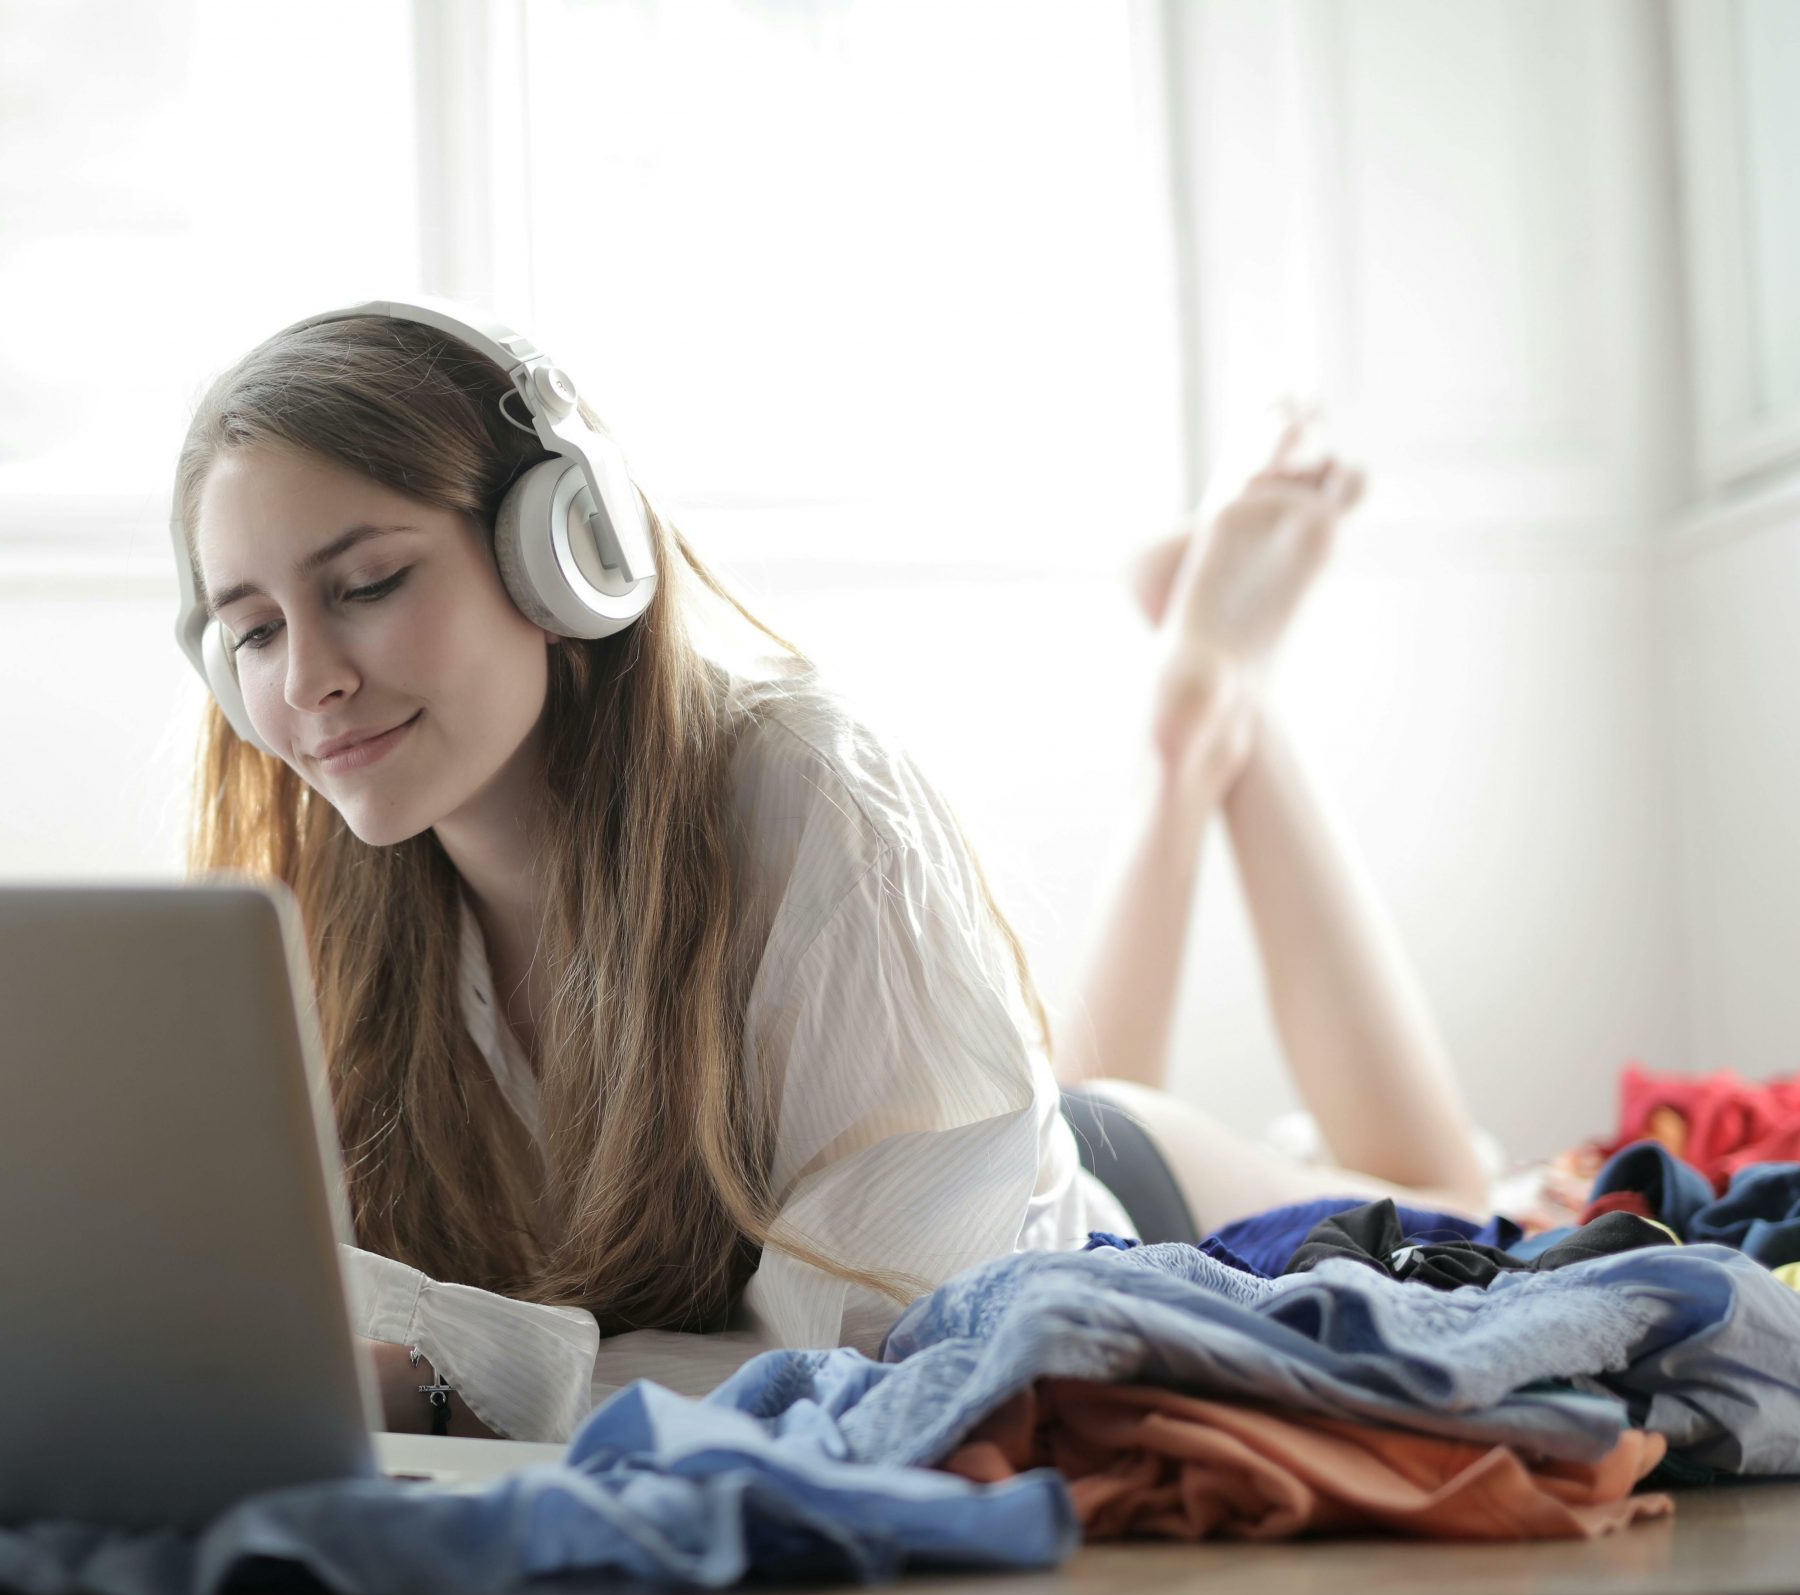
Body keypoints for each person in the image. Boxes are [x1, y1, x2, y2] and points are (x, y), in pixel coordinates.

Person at [168, 309, 1492, 1444]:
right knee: (1065, 1079)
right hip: (953, 1141)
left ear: (567, 549)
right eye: (254, 630)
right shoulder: (320, 892)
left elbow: (893, 1359)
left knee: (1454, 1201)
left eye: (371, 583)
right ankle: (1194, 721)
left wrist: (447, 1385)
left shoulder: (805, 793)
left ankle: (1203, 711)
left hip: (1072, 1228)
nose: (307, 683)